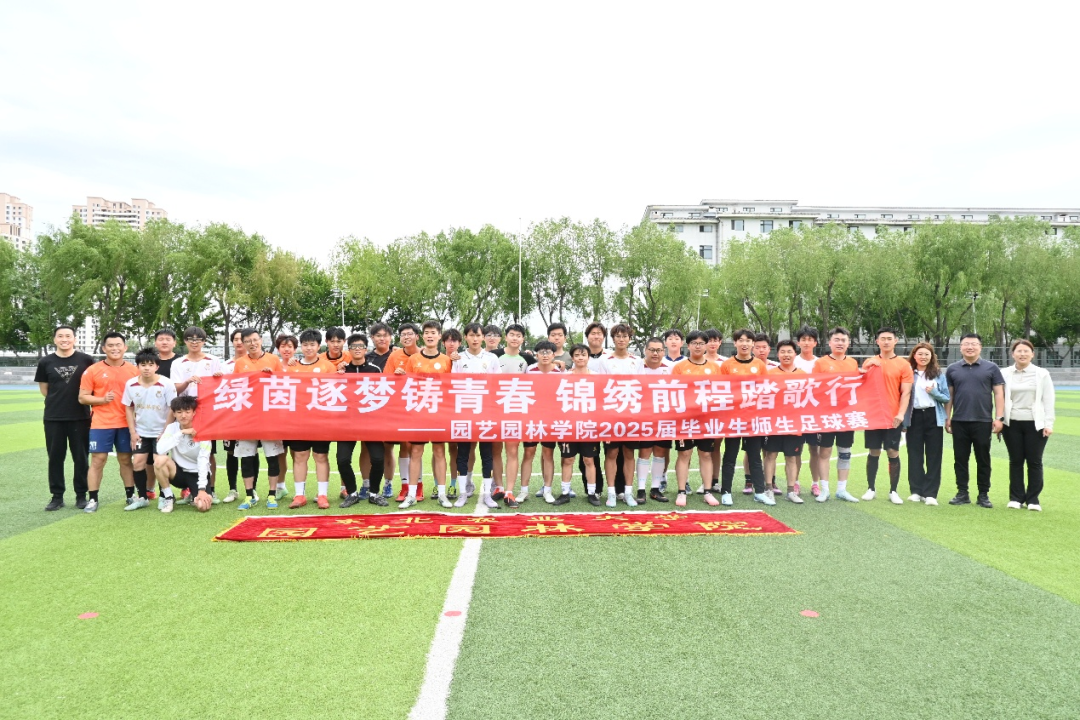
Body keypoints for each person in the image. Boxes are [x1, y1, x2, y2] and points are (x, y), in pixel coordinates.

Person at [78, 332, 139, 513]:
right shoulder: (93, 370)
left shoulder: (134, 371)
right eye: (110, 345)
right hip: (101, 423)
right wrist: (102, 400)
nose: (115, 348)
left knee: (125, 459)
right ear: (104, 348)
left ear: (125, 347)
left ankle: (130, 496)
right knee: (98, 460)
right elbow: (82, 397)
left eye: (118, 345)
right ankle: (93, 499)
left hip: (126, 423)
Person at [36, 325, 95, 510]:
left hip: (80, 417)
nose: (64, 339)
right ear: (55, 339)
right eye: (60, 336)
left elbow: (93, 385)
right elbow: (45, 390)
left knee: (81, 458)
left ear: (74, 339)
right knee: (55, 458)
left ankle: (81, 495)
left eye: (68, 336)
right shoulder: (45, 362)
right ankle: (57, 497)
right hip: (54, 417)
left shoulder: (86, 360)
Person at [945, 333, 1005, 509]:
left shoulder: (991, 368)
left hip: (983, 421)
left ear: (980, 347)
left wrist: (999, 418)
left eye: (973, 344)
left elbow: (999, 393)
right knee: (960, 459)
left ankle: (983, 494)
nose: (970, 347)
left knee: (983, 459)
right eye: (966, 344)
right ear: (960, 347)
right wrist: (947, 417)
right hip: (959, 421)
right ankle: (962, 493)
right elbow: (949, 396)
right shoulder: (952, 369)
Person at [400, 320, 452, 508]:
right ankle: (412, 494)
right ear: (422, 336)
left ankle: (442, 494)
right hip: (418, 413)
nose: (430, 336)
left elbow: (450, 388)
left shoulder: (446, 360)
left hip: (439, 413)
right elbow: (407, 385)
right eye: (427, 332)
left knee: (439, 451)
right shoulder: (413, 359)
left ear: (439, 336)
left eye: (433, 333)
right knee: (416, 451)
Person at [232, 328, 286, 510]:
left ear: (261, 340)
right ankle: (249, 496)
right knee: (246, 458)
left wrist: (272, 376)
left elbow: (285, 385)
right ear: (243, 344)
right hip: (247, 418)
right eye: (248, 341)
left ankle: (272, 495)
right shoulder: (240, 363)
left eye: (255, 340)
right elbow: (234, 386)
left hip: (269, 417)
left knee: (272, 457)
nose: (252, 344)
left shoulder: (273, 359)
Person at [286, 329, 339, 509]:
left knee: (320, 456)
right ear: (300, 346)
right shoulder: (292, 366)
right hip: (298, 420)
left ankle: (322, 495)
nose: (308, 348)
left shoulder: (327, 367)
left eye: (312, 344)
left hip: (321, 420)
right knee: (300, 456)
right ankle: (299, 495)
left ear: (319, 346)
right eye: (305, 345)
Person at [860, 327, 914, 504]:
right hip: (874, 416)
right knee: (873, 451)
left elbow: (906, 392)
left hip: (892, 416)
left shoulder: (903, 365)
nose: (886, 342)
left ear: (895, 341)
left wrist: (901, 414)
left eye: (889, 338)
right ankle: (871, 488)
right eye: (882, 338)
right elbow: (861, 385)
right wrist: (864, 370)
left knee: (892, 451)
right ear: (877, 341)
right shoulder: (870, 362)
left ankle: (893, 491)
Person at [719, 329, 772, 506]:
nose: (744, 344)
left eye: (748, 341)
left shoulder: (760, 365)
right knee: (730, 456)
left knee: (754, 457)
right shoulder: (726, 365)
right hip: (733, 419)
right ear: (735, 343)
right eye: (741, 340)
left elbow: (765, 390)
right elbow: (721, 391)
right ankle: (726, 491)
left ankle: (760, 492)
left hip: (753, 419)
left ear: (752, 344)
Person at [1001, 339, 1055, 511]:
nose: (1022, 354)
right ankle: (1016, 498)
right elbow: (1000, 399)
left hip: (1035, 424)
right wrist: (999, 420)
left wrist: (1048, 423)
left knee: (1034, 461)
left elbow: (1048, 400)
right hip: (1011, 423)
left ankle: (1033, 499)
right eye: (1019, 351)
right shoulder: (1004, 373)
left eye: (1026, 351)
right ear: (1013, 354)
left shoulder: (1042, 374)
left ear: (1033, 354)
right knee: (1015, 461)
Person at [171, 326, 223, 500]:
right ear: (185, 341)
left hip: (207, 412)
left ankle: (211, 489)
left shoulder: (213, 360)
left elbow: (222, 387)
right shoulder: (178, 363)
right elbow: (175, 389)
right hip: (185, 412)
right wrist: (187, 381)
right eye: (191, 339)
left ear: (204, 341)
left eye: (198, 339)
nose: (195, 343)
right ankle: (187, 489)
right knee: (184, 448)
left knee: (209, 452)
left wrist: (218, 378)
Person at [122, 348, 178, 510]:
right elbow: (129, 408)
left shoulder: (166, 383)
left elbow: (172, 408)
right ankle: (143, 497)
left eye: (150, 365)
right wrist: (133, 432)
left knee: (159, 464)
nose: (147, 368)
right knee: (138, 463)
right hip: (141, 433)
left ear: (157, 367)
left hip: (161, 433)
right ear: (137, 366)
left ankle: (164, 496)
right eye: (143, 365)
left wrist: (165, 432)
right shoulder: (131, 384)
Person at [452, 323, 499, 508]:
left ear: (483, 337)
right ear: (465, 337)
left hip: (486, 413)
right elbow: (452, 384)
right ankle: (463, 493)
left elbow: (497, 384)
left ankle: (487, 494)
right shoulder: (458, 358)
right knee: (463, 454)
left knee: (487, 454)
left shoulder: (492, 358)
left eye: (478, 335)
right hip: (464, 413)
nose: (475, 339)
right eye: (471, 335)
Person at [339, 333, 389, 507]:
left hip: (370, 422)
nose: (357, 349)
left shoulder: (375, 370)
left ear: (366, 349)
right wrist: (338, 373)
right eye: (353, 347)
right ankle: (352, 493)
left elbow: (383, 393)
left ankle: (374, 493)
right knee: (342, 459)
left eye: (360, 346)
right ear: (349, 350)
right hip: (347, 423)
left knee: (378, 459)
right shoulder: (342, 370)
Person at [670, 331, 720, 507]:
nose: (698, 346)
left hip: (706, 419)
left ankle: (707, 491)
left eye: (701, 343)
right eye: (694, 343)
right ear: (688, 345)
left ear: (706, 345)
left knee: (706, 454)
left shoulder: (715, 368)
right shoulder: (680, 368)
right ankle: (681, 491)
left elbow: (719, 392)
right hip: (685, 419)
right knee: (684, 453)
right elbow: (673, 392)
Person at [812, 327, 861, 503]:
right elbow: (813, 388)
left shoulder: (853, 363)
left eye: (843, 340)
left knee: (845, 452)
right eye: (837, 340)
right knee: (824, 451)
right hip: (826, 415)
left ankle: (842, 489)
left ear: (848, 343)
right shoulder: (821, 363)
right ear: (829, 342)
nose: (840, 343)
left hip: (846, 416)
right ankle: (825, 489)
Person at [599, 323, 642, 508]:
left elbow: (641, 387)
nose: (621, 339)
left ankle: (628, 492)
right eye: (618, 336)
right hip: (611, 414)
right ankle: (611, 493)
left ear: (629, 339)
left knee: (629, 453)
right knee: (611, 452)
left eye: (625, 336)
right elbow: (600, 387)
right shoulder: (605, 360)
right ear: (613, 339)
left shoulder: (637, 361)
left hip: (631, 414)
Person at [902, 342, 949, 506]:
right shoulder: (908, 373)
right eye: (920, 354)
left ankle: (930, 493)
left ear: (932, 356)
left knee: (934, 455)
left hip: (933, 416)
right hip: (914, 416)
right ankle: (916, 491)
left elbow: (946, 397)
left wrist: (934, 392)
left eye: (927, 354)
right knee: (914, 454)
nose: (923, 357)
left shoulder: (938, 374)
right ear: (914, 355)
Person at [491, 323, 531, 508]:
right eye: (512, 335)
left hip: (516, 410)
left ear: (523, 339)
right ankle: (498, 487)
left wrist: (557, 364)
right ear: (506, 337)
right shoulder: (494, 356)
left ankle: (509, 491)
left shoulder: (527, 359)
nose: (515, 338)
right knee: (496, 450)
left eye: (518, 335)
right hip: (495, 409)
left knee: (512, 450)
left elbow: (542, 370)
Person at [153, 396, 212, 513]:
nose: (183, 415)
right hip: (178, 472)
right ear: (174, 414)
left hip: (196, 474)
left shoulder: (203, 429)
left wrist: (201, 489)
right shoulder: (172, 428)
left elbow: (203, 460)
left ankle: (194, 494)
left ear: (194, 412)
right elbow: (160, 449)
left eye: (187, 412)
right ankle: (169, 497)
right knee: (159, 460)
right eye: (179, 412)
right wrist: (181, 433)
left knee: (202, 507)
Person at [524, 341, 566, 504]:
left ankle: (547, 490)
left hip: (551, 418)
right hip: (532, 418)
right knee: (529, 453)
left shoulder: (559, 372)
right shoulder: (530, 370)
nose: (545, 355)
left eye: (548, 352)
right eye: (541, 352)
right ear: (536, 354)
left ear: (554, 354)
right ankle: (524, 490)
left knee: (548, 453)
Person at [765, 340, 805, 503]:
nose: (786, 355)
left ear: (795, 354)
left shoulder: (803, 375)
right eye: (783, 352)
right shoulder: (770, 374)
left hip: (794, 423)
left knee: (792, 457)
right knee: (770, 455)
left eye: (789, 351)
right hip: (774, 423)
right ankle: (768, 489)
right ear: (778, 354)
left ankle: (791, 491)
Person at [386, 323, 422, 501]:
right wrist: (396, 376)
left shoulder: (424, 354)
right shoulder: (394, 356)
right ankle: (405, 486)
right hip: (401, 408)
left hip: (420, 407)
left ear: (417, 336)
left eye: (410, 334)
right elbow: (385, 380)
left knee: (416, 448)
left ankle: (419, 486)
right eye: (403, 335)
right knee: (404, 446)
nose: (406, 337)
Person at [564, 344, 601, 505]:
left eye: (583, 355)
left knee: (589, 460)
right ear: (572, 358)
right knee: (568, 459)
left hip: (589, 425)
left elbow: (601, 401)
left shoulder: (597, 377)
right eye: (577, 355)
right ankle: (565, 492)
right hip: (569, 425)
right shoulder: (565, 377)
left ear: (588, 357)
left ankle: (592, 493)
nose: (580, 358)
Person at [638, 336, 671, 502]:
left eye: (659, 350)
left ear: (664, 352)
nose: (655, 353)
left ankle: (655, 488)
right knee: (644, 452)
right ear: (646, 351)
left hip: (664, 417)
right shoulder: (637, 368)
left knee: (660, 452)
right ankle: (640, 489)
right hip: (643, 417)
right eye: (652, 350)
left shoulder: (670, 370)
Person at [366, 322, 396, 499]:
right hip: (371, 409)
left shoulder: (397, 355)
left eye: (385, 335)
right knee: (367, 448)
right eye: (378, 335)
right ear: (372, 338)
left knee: (388, 447)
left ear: (390, 337)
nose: (382, 338)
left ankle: (388, 483)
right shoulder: (366, 357)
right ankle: (367, 484)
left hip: (392, 409)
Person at [220, 329, 249, 502]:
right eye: (236, 339)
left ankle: (251, 491)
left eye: (242, 339)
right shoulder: (225, 366)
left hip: (249, 414)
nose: (239, 342)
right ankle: (232, 489)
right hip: (230, 415)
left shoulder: (254, 363)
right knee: (231, 452)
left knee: (250, 452)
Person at [794, 326, 821, 497]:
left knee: (815, 450)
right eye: (803, 339)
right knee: (796, 450)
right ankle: (795, 482)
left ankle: (815, 483)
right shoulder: (792, 361)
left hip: (815, 414)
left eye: (810, 339)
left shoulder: (821, 363)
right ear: (798, 342)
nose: (806, 342)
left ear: (815, 343)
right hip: (796, 413)